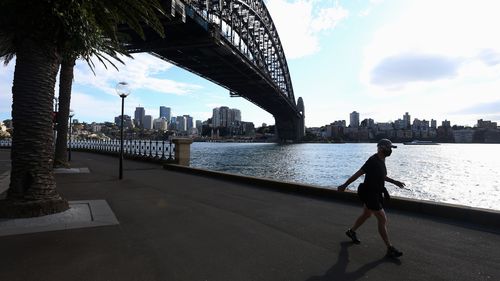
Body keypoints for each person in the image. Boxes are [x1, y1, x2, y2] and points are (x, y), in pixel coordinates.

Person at [338, 138, 406, 258]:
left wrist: (394, 182)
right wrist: (344, 185)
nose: (391, 150)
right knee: (382, 219)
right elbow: (358, 174)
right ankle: (389, 248)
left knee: (367, 214)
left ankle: (351, 231)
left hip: (375, 193)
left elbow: (382, 176)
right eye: (389, 148)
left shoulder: (382, 159)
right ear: (382, 148)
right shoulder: (372, 160)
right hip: (369, 193)